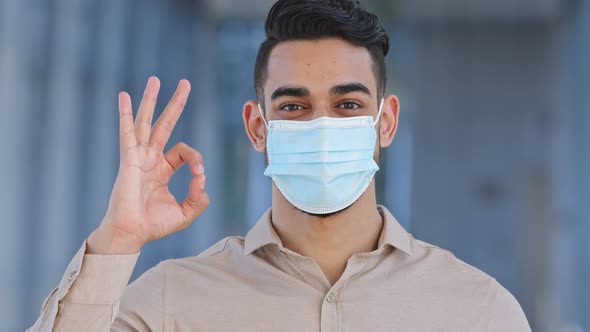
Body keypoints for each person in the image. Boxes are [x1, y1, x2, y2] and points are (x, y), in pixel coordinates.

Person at [28, 0, 531, 331]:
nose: (322, 124)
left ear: (386, 121)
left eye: (348, 105)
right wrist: (117, 240)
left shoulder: (479, 309)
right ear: (256, 126)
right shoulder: (170, 301)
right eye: (293, 106)